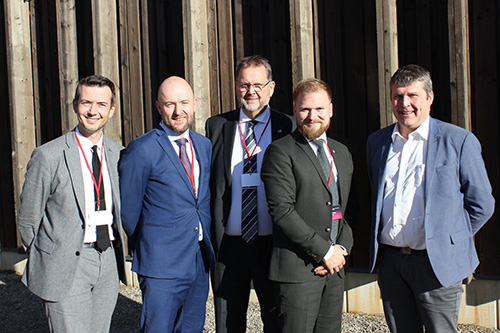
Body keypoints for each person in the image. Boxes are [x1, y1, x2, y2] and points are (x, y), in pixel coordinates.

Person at [367, 64, 495, 333]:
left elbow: (482, 204)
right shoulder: (377, 142)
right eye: (398, 96)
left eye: (412, 95)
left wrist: (448, 239)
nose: (405, 104)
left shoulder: (458, 141)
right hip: (392, 264)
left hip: (436, 264)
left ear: (430, 97)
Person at [17, 75, 128, 332]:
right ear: (75, 105)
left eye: (101, 104)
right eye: (86, 102)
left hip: (108, 259)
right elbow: (27, 219)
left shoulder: (119, 155)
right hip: (67, 262)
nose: (93, 111)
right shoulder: (48, 155)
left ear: (111, 110)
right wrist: (48, 258)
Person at [205, 55, 295, 332]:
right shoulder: (217, 126)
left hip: (272, 243)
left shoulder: (288, 127)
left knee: (275, 317)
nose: (251, 91)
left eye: (258, 84)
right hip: (229, 245)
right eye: (244, 85)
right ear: (236, 86)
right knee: (228, 321)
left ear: (271, 87)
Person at [119, 76, 216, 332]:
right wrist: (154, 244)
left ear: (194, 103)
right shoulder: (142, 149)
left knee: (192, 327)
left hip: (198, 259)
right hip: (161, 263)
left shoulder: (204, 145)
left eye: (184, 102)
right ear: (158, 106)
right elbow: (129, 213)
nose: (178, 111)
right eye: (170, 104)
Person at [261, 78, 354, 333]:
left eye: (319, 109)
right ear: (295, 111)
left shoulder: (342, 153)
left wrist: (341, 250)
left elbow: (342, 211)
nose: (312, 116)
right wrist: (325, 252)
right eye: (305, 109)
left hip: (335, 270)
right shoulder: (280, 152)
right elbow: (282, 211)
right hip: (297, 273)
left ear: (331, 110)